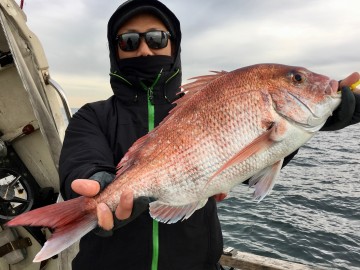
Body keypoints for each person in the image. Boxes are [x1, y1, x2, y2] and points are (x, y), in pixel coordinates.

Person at [59, 0, 360, 269]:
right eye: (128, 41)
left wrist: (335, 112)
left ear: (173, 45)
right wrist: (99, 184)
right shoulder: (92, 115)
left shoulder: (201, 103)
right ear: (115, 50)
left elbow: (248, 166)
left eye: (156, 38)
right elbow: (80, 163)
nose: (144, 49)